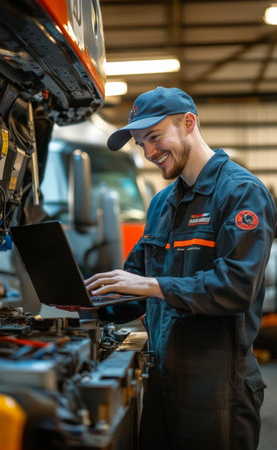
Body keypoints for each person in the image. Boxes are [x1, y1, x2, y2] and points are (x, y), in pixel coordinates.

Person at [84, 87, 276, 450]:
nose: (149, 153)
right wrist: (81, 303)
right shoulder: (160, 204)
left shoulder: (240, 193)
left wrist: (152, 286)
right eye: (141, 144)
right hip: (161, 381)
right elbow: (133, 290)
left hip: (218, 391)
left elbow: (236, 287)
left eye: (154, 137)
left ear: (188, 123)